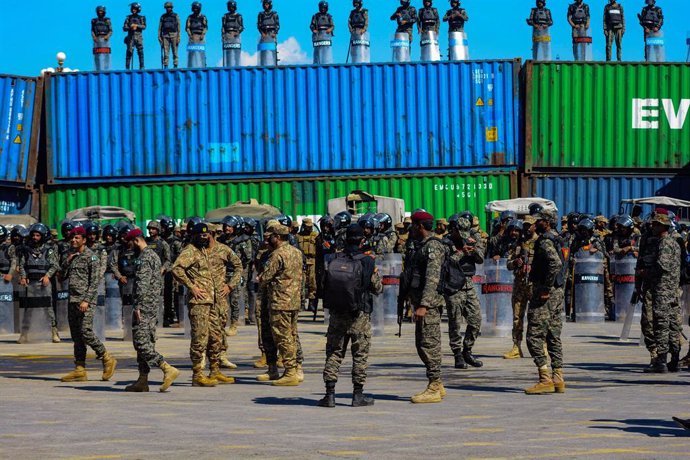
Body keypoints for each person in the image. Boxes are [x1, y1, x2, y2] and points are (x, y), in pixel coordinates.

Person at [317, 224, 382, 408]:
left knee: (334, 354)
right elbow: (377, 288)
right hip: (359, 315)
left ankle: (329, 395)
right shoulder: (367, 261)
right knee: (359, 355)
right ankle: (357, 395)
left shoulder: (335, 257)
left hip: (337, 313)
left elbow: (324, 284)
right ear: (362, 240)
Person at [172, 221, 241, 387]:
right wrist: (192, 286)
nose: (204, 237)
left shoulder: (219, 249)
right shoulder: (191, 251)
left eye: (206, 235)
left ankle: (215, 370)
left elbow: (238, 265)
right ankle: (197, 374)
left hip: (216, 301)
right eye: (200, 235)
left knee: (216, 336)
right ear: (194, 236)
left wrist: (230, 285)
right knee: (200, 338)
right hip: (200, 302)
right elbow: (176, 269)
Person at [123, 229, 180, 392]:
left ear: (135, 240)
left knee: (140, 342)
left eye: (129, 243)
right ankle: (143, 379)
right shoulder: (153, 256)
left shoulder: (145, 257)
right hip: (152, 305)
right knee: (146, 341)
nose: (128, 247)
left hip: (145, 306)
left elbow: (142, 283)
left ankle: (166, 368)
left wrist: (138, 306)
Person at [60, 227, 117, 383]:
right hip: (72, 300)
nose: (73, 240)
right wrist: (67, 262)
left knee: (86, 332)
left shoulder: (91, 257)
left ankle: (107, 358)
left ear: (84, 240)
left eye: (77, 238)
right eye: (72, 238)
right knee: (77, 337)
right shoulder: (70, 255)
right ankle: (79, 369)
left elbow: (94, 282)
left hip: (85, 301)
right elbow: (61, 277)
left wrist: (86, 300)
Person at [401, 211, 447, 403]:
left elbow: (432, 279)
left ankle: (434, 386)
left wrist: (424, 305)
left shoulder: (433, 247)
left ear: (420, 226)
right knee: (421, 344)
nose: (410, 228)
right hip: (420, 302)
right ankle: (438, 383)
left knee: (429, 344)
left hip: (429, 305)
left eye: (413, 225)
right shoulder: (419, 246)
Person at [257, 221, 304, 386]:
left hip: (279, 301)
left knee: (283, 337)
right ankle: (291, 369)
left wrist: (259, 278)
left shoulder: (277, 255)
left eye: (270, 237)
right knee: (291, 335)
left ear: (277, 237)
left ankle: (290, 372)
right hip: (293, 301)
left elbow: (265, 277)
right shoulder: (297, 252)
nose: (267, 240)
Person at [525, 210, 565, 395]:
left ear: (547, 223)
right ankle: (558, 377)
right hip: (558, 292)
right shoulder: (559, 238)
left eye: (539, 221)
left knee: (534, 335)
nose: (535, 223)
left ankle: (544, 378)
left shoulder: (546, 241)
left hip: (546, 293)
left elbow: (555, 263)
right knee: (553, 335)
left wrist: (546, 288)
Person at [444, 216, 484, 369]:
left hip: (468, 283)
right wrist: (461, 252)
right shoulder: (446, 243)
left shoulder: (472, 239)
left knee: (475, 319)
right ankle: (457, 354)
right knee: (455, 322)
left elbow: (480, 259)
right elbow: (446, 263)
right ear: (453, 230)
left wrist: (473, 251)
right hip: (453, 285)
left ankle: (467, 350)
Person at [644, 210, 680, 373]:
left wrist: (645, 273)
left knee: (662, 324)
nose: (653, 227)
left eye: (655, 224)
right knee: (672, 324)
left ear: (662, 226)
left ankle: (662, 361)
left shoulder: (665, 243)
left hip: (663, 290)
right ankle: (674, 359)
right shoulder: (673, 242)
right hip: (671, 290)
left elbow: (662, 266)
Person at [17, 223, 60, 344]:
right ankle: (24, 334)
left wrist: (47, 276)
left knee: (48, 308)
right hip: (31, 283)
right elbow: (22, 265)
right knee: (29, 309)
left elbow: (54, 265)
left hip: (44, 283)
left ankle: (53, 332)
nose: (35, 237)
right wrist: (23, 277)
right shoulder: (26, 249)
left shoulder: (49, 249)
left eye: (38, 235)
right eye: (33, 235)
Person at [504, 216, 537, 359]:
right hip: (519, 284)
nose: (526, 228)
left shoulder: (541, 242)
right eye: (525, 226)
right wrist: (515, 263)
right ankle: (516, 347)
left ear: (535, 226)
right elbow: (508, 264)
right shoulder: (518, 244)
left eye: (529, 225)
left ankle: (542, 347)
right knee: (517, 317)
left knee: (536, 318)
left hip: (534, 285)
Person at [297, 218, 319, 312]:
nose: (309, 229)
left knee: (312, 282)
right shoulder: (298, 236)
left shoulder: (316, 236)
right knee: (301, 281)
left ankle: (311, 302)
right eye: (307, 227)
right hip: (302, 260)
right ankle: (302, 302)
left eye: (310, 227)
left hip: (313, 260)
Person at [123, 2, 147, 70]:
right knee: (129, 52)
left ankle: (142, 66)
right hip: (130, 36)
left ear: (138, 9)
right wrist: (130, 27)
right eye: (132, 9)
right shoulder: (128, 18)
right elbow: (124, 28)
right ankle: (127, 68)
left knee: (140, 51)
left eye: (135, 9)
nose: (133, 10)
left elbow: (144, 26)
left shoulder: (141, 17)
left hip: (138, 36)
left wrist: (137, 26)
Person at [158, 2, 181, 69]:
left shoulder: (175, 16)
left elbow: (178, 26)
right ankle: (166, 65)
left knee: (175, 51)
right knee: (166, 52)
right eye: (167, 7)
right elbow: (160, 27)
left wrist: (179, 37)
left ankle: (175, 65)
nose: (168, 8)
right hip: (165, 35)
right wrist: (159, 37)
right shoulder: (163, 16)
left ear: (171, 8)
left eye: (169, 7)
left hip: (174, 34)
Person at [91, 6, 113, 71]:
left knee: (106, 54)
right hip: (97, 39)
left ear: (104, 12)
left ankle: (106, 69)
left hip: (105, 40)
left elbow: (111, 30)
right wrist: (94, 37)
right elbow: (92, 30)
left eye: (101, 11)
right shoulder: (94, 21)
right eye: (99, 11)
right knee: (97, 55)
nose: (100, 12)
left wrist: (107, 36)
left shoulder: (107, 20)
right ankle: (97, 69)